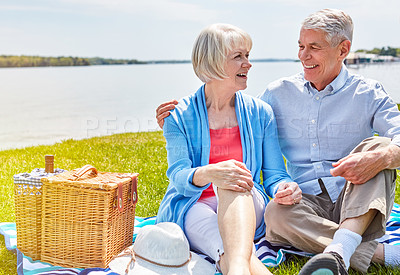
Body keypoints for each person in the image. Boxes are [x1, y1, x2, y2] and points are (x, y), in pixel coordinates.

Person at [156, 9, 400, 274]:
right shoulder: (273, 95)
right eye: (301, 46)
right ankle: (370, 252)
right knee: (269, 212)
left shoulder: (367, 93)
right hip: (294, 205)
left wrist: (384, 157)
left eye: (314, 47)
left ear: (343, 50)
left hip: (355, 198)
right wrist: (204, 159)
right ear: (214, 61)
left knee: (381, 149)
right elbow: (181, 170)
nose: (303, 55)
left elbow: (272, 169)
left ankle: (340, 250)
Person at [155, 23, 301, 275]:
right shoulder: (178, 115)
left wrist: (284, 188)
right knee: (231, 252)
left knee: (234, 180)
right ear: (212, 62)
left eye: (247, 56)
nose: (248, 64)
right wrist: (212, 172)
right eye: (238, 57)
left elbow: (276, 173)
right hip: (193, 204)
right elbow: (178, 176)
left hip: (246, 200)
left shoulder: (260, 113)